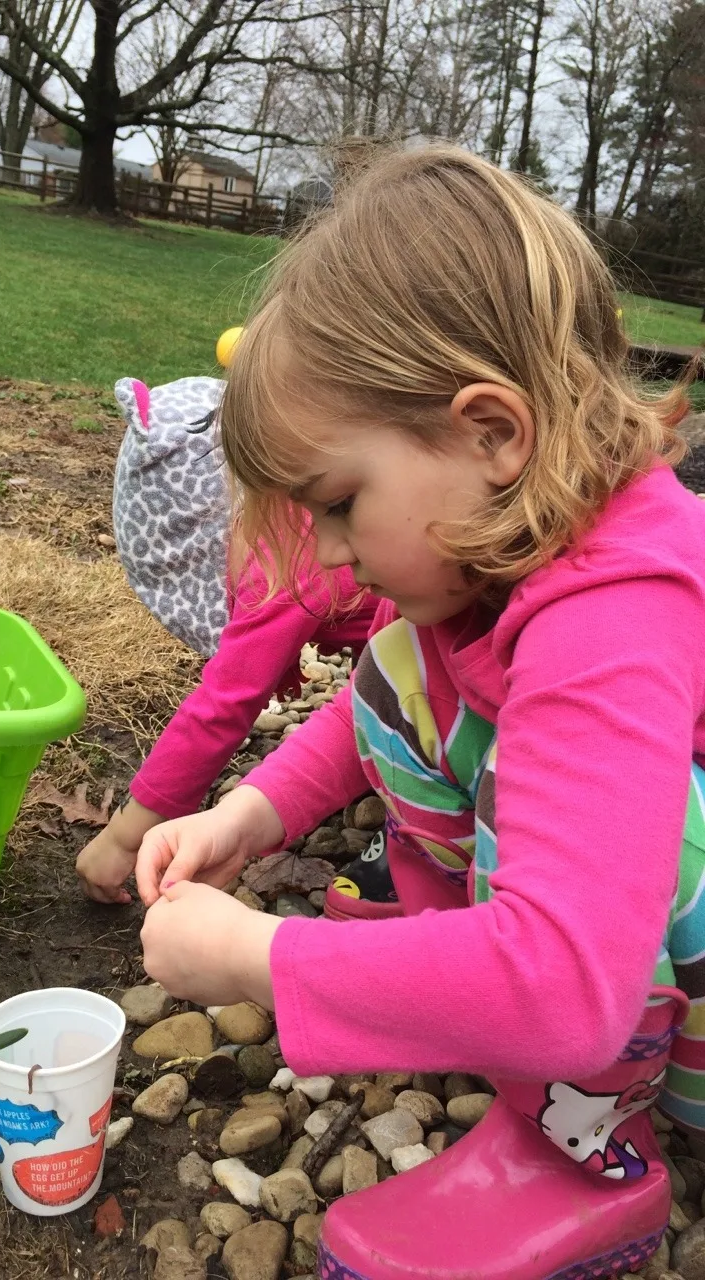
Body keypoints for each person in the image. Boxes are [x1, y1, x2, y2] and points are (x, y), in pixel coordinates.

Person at [134, 143, 705, 1280]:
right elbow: (376, 713)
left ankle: (593, 1151)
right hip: (581, 975)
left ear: (492, 432)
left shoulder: (616, 610)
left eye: (340, 504)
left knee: (611, 842)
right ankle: (473, 997)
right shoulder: (506, 550)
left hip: (608, 997)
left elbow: (566, 980)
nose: (331, 553)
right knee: (400, 672)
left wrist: (263, 955)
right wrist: (247, 815)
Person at [76, 367, 378, 905]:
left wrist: (124, 837)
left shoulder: (279, 563)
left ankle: (433, 832)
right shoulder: (292, 514)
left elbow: (221, 706)